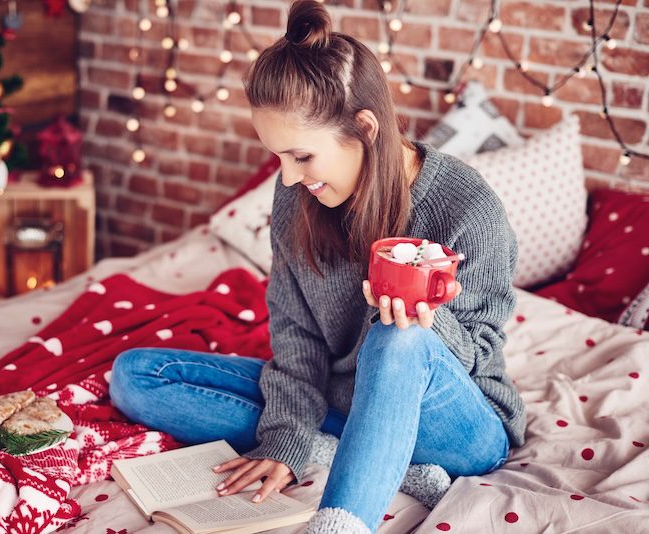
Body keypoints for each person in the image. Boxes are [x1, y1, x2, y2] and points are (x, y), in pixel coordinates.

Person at [109, 0, 526, 531]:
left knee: (396, 338)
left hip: (462, 425)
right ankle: (353, 450)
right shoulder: (297, 202)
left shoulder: (467, 208)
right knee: (136, 375)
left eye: (302, 157)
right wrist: (284, 442)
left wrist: (422, 316)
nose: (287, 178)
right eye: (278, 158)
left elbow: (476, 353)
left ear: (366, 129)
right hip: (340, 400)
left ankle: (341, 520)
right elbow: (296, 335)